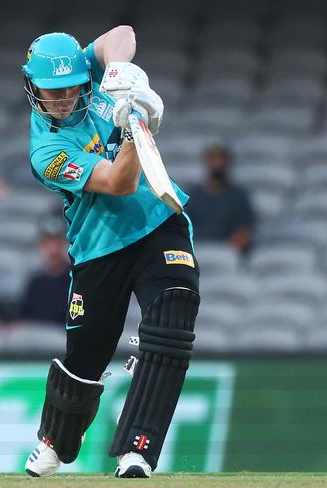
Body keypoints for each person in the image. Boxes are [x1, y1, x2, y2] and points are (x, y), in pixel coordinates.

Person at [21, 28, 200, 478]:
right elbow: (119, 183)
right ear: (32, 88)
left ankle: (137, 449)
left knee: (173, 313)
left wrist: (124, 78)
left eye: (70, 90)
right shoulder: (46, 151)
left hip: (159, 222)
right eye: (51, 92)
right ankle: (55, 441)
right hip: (99, 247)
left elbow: (122, 34)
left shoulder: (87, 69)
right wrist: (133, 123)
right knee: (87, 355)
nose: (63, 99)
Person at [185, 145, 256, 253]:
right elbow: (184, 226)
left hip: (227, 252)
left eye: (221, 159)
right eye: (213, 159)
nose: (217, 164)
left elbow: (245, 231)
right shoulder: (193, 195)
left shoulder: (238, 196)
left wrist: (226, 251)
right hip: (196, 250)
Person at [17, 217, 70, 325]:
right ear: (41, 246)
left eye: (58, 243)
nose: (53, 250)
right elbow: (23, 316)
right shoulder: (36, 283)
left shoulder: (75, 279)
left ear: (65, 245)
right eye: (47, 244)